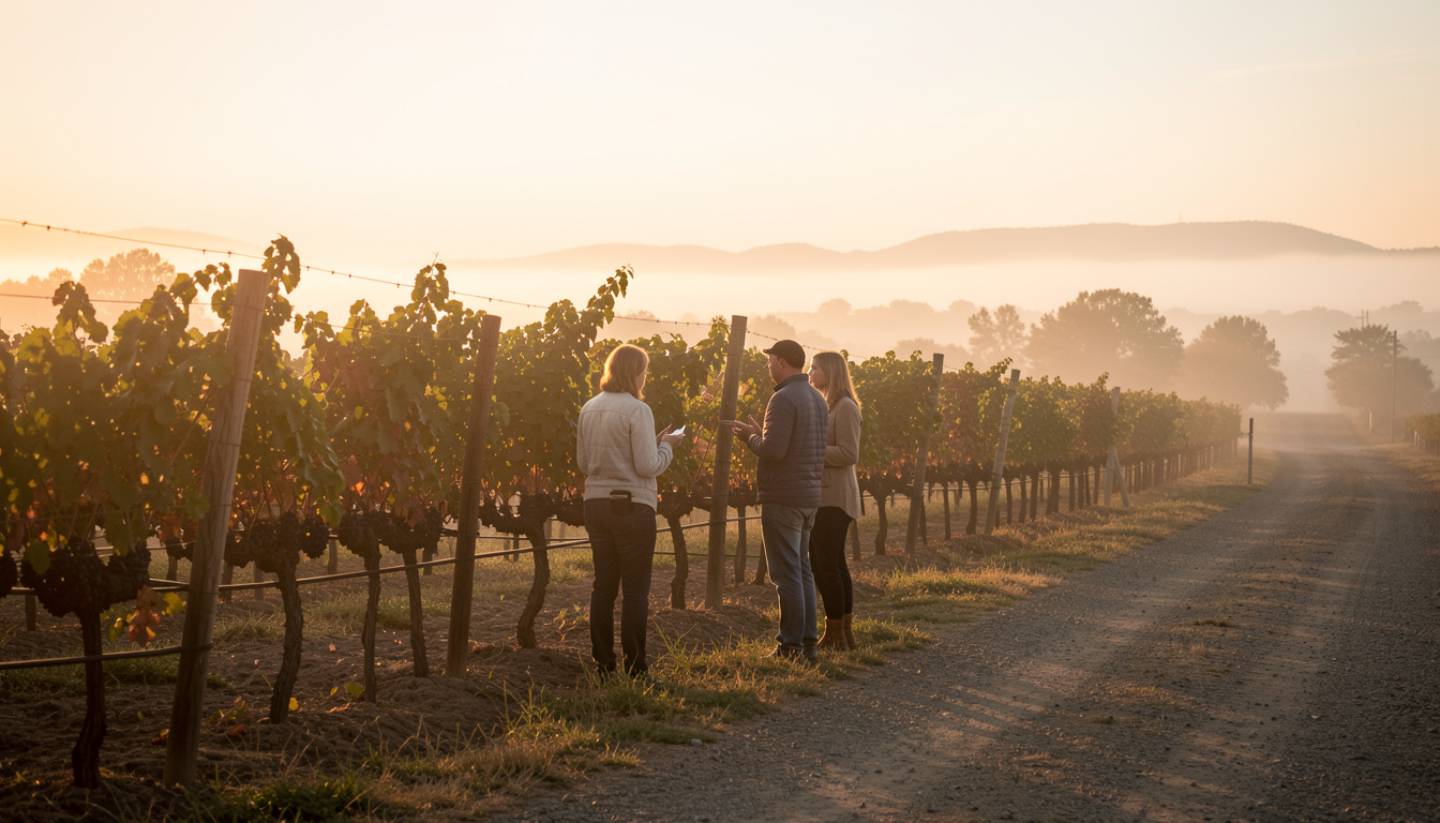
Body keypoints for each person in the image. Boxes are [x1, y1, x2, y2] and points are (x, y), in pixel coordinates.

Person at [577, 343, 685, 677]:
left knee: (603, 586)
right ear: (635, 372)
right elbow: (647, 465)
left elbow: (584, 463)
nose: (645, 377)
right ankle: (636, 667)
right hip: (631, 507)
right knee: (636, 590)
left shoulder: (589, 408)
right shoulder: (638, 410)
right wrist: (667, 446)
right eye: (644, 371)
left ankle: (603, 665)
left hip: (595, 504)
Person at [725, 339, 828, 662]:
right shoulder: (816, 398)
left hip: (783, 496)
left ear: (782, 362)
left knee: (785, 575)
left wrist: (749, 437)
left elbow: (774, 451)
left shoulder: (783, 399)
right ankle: (809, 643)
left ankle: (790, 645)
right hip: (809, 495)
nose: (768, 365)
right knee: (802, 570)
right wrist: (763, 435)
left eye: (770, 360)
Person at [805, 351, 862, 649]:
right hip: (825, 496)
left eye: (814, 368)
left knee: (826, 565)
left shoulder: (846, 407)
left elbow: (850, 453)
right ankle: (842, 633)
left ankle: (837, 634)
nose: (810, 373)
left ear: (830, 371)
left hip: (835, 499)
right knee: (831, 564)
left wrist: (813, 449)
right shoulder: (829, 405)